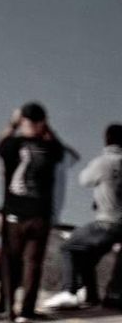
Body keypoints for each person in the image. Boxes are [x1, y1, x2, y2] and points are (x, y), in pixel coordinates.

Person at [0, 102, 66, 321]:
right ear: (43, 123)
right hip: (40, 216)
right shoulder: (51, 149)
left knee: (11, 262)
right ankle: (27, 311)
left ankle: (8, 308)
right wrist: (47, 129)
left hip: (14, 214)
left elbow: (0, 145)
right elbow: (60, 151)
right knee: (33, 264)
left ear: (23, 121)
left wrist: (12, 123)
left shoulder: (13, 144)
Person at [44, 123, 122, 311]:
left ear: (107, 140)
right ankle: (92, 297)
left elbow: (84, 180)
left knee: (69, 247)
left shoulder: (104, 161)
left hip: (107, 222)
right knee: (86, 257)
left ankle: (69, 292)